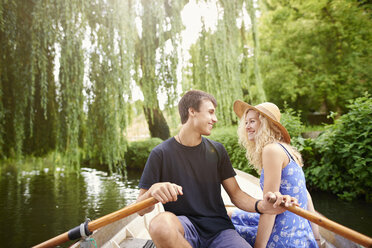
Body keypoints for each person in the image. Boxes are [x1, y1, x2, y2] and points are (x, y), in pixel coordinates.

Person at [136, 90, 297, 248]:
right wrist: (153, 192)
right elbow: (141, 210)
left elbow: (236, 194)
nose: (215, 119)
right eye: (211, 112)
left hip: (220, 230)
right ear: (192, 111)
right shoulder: (160, 153)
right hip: (184, 229)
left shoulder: (217, 150)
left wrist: (261, 206)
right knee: (160, 225)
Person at [229, 100, 320, 248]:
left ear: (265, 124)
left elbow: (270, 207)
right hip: (302, 233)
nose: (247, 127)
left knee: (221, 228)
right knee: (230, 214)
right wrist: (316, 239)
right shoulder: (287, 150)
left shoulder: (271, 150)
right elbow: (306, 195)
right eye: (246, 122)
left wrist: (259, 247)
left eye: (252, 121)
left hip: (284, 236)